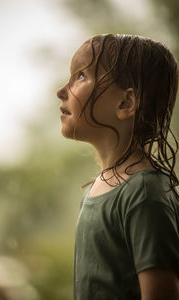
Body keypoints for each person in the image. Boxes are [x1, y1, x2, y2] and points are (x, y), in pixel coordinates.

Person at [57, 33, 179, 300]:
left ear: (126, 103)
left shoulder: (144, 192)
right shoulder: (97, 188)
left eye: (80, 76)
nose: (61, 91)